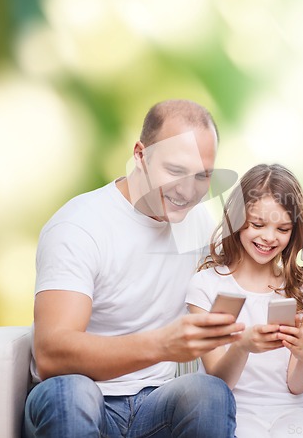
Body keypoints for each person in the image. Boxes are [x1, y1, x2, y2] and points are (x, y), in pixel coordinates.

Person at [23, 100, 245, 438]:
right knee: (70, 393)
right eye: (175, 171)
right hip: (80, 399)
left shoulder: (198, 222)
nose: (188, 191)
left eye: (203, 176)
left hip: (153, 405)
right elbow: (52, 354)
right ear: (140, 154)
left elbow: (249, 269)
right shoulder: (79, 225)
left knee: (208, 394)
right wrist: (161, 345)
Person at [186, 164, 303, 438]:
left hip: (292, 411)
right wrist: (243, 347)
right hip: (233, 411)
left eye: (282, 229)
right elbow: (218, 384)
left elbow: (297, 385)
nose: (269, 237)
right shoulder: (207, 285)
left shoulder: (300, 289)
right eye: (257, 224)